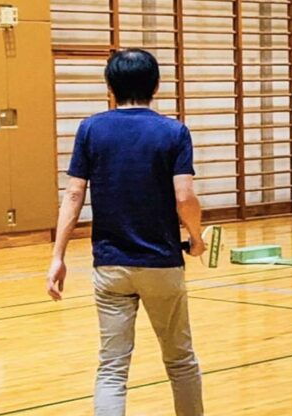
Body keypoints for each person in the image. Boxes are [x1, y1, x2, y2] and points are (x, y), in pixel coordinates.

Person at [46, 49, 205, 416]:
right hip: (162, 263)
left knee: (112, 369)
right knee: (180, 361)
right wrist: (195, 238)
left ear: (109, 86)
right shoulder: (174, 132)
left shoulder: (91, 129)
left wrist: (57, 258)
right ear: (157, 86)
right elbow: (185, 197)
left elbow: (73, 194)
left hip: (110, 267)